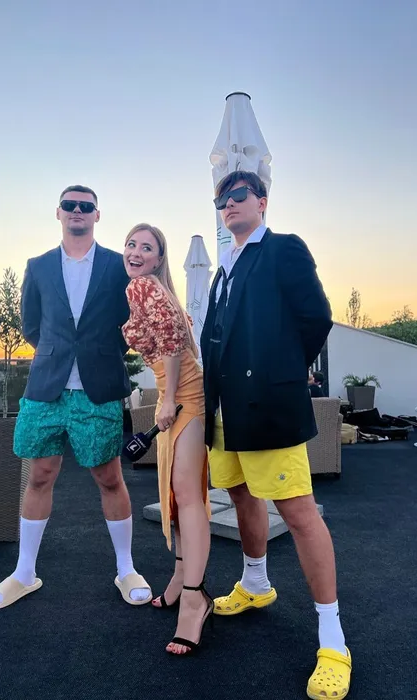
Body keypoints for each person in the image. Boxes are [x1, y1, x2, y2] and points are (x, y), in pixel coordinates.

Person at [201, 171, 352, 699]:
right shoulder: (225, 267)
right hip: (225, 412)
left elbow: (316, 318)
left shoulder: (284, 248)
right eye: (221, 200)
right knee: (241, 496)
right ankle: (256, 583)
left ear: (262, 201)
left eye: (238, 195)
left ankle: (333, 639)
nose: (229, 204)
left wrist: (280, 370)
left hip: (267, 404)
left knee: (299, 513)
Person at [0, 185, 152, 610]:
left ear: (97, 215)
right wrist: (58, 354)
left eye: (86, 206)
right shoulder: (38, 266)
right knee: (40, 475)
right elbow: (31, 325)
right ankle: (24, 574)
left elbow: (129, 324)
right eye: (70, 205)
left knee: (109, 477)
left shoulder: (117, 265)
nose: (78, 210)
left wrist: (99, 355)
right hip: (47, 387)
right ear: (58, 213)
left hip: (98, 389)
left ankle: (126, 569)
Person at [122, 223, 213, 655]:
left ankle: (195, 600)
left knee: (187, 495)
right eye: (131, 245)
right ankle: (180, 576)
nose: (136, 252)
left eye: (147, 247)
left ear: (159, 258)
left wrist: (170, 399)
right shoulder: (154, 289)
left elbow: (174, 345)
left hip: (184, 396)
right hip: (176, 394)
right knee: (178, 494)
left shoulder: (144, 287)